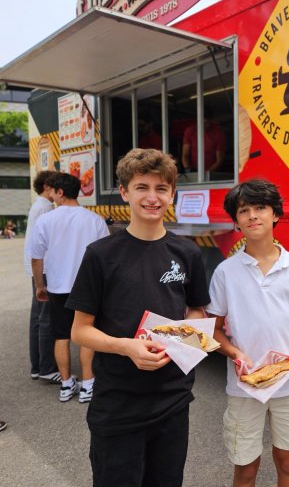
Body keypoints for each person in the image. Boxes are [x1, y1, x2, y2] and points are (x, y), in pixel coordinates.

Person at [69, 148, 210, 486]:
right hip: (118, 403)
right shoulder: (101, 255)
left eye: (161, 188)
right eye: (141, 187)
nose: (152, 197)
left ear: (172, 193)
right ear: (124, 192)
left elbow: (195, 310)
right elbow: (80, 331)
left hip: (172, 399)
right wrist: (126, 347)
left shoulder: (187, 252)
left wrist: (182, 340)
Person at [206, 179, 289, 487]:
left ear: (276, 215)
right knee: (245, 468)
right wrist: (234, 353)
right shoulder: (226, 272)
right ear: (236, 220)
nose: (253, 215)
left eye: (260, 207)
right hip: (245, 386)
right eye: (244, 210)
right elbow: (214, 331)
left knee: (287, 462)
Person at [29, 172, 109, 403]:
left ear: (60, 192)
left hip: (57, 287)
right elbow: (105, 257)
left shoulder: (46, 220)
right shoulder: (94, 220)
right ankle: (87, 385)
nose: (51, 195)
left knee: (61, 336)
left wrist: (39, 286)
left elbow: (36, 258)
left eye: (52, 191)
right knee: (86, 336)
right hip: (87, 288)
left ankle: (65, 384)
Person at [24, 170, 60, 383]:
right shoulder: (45, 207)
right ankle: (47, 367)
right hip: (43, 269)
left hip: (36, 267)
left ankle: (37, 366)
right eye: (55, 187)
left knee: (37, 318)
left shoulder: (38, 206)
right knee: (47, 318)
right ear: (47, 186)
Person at [181, 108, 226, 178]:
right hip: (193, 170)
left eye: (206, 123)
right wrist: (188, 169)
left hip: (212, 171)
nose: (203, 125)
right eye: (201, 122)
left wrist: (206, 174)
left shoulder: (218, 133)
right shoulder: (190, 131)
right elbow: (185, 154)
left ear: (211, 121)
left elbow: (219, 160)